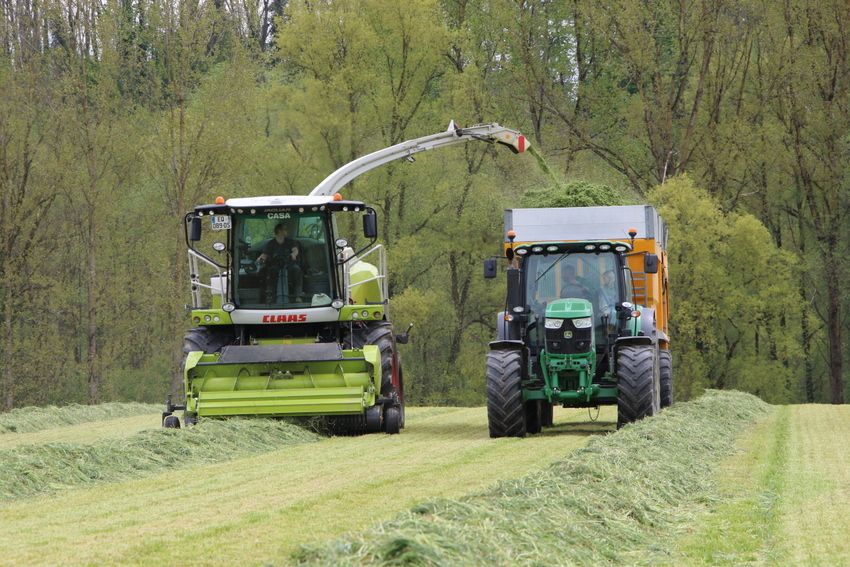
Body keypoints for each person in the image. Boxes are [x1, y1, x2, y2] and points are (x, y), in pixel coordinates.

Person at [257, 222, 303, 303]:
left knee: (297, 270)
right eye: (285, 229)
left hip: (289, 264)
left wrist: (293, 254)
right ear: (279, 231)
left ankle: (298, 295)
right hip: (276, 265)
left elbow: (295, 249)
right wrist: (261, 258)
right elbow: (265, 254)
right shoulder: (270, 243)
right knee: (270, 271)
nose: (287, 231)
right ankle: (270, 295)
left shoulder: (290, 241)